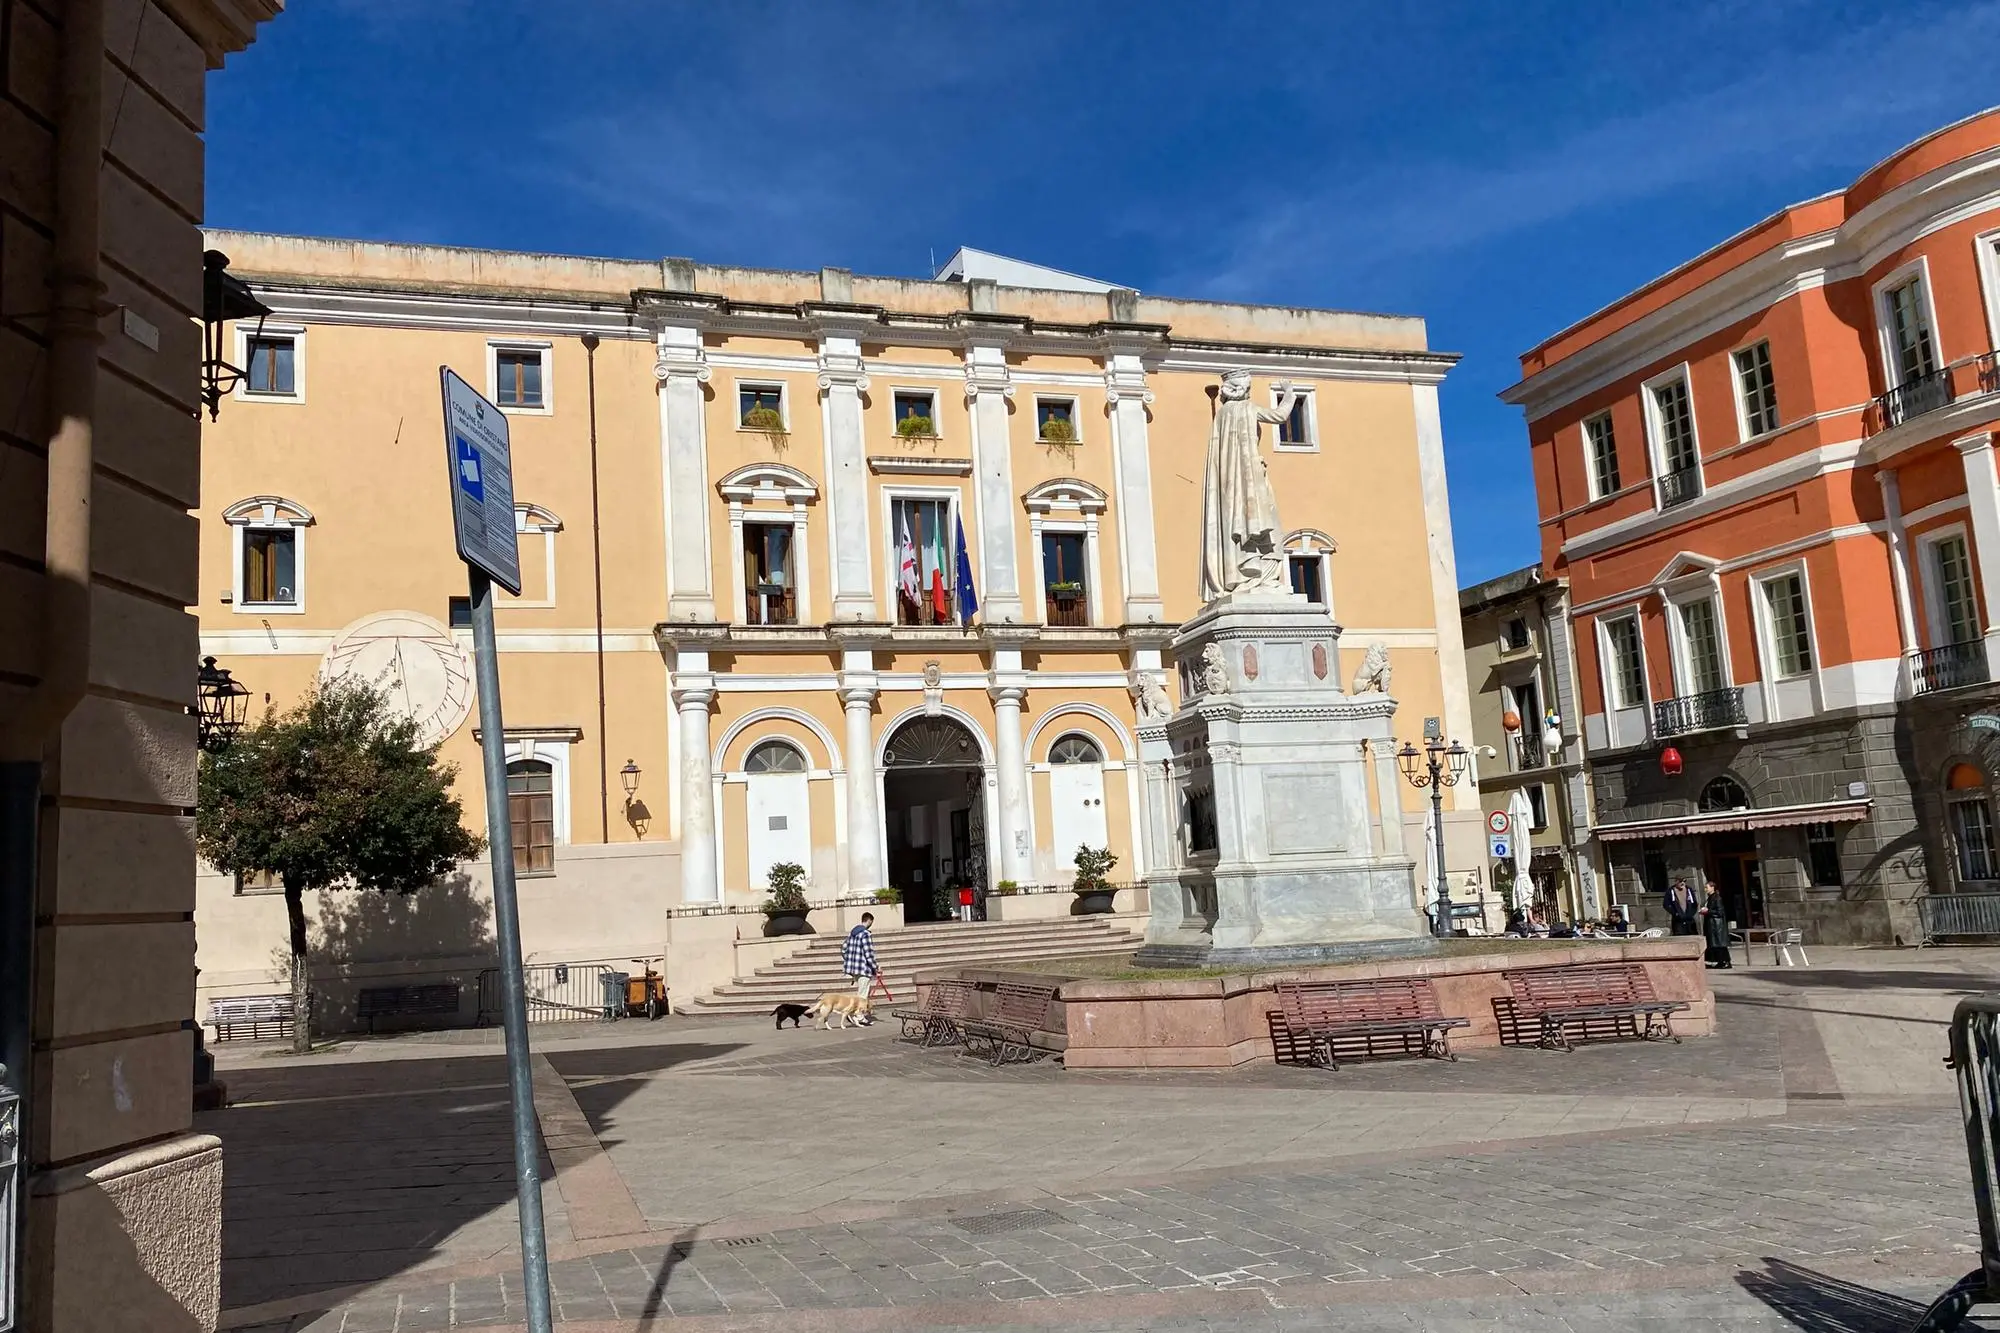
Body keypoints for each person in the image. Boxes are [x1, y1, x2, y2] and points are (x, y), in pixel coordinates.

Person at [841, 911, 883, 1019]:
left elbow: (843, 949)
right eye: (871, 922)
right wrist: (876, 967)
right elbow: (868, 954)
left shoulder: (852, 933)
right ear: (869, 920)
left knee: (861, 992)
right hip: (864, 968)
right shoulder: (866, 934)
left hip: (854, 968)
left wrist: (850, 960)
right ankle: (858, 1016)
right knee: (863, 994)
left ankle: (853, 1013)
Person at [1699, 883, 1733, 969]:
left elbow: (1720, 912)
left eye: (1707, 887)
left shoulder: (1717, 898)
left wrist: (1707, 911)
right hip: (1712, 924)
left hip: (1717, 926)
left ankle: (1726, 961)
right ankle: (1720, 961)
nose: (1705, 889)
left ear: (1712, 887)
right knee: (1716, 945)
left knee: (1720, 944)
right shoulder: (1710, 898)